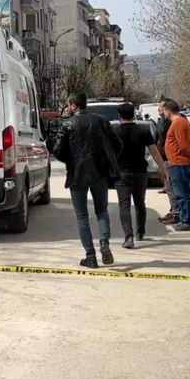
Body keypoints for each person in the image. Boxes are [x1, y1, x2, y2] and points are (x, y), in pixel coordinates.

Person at [53, 92, 122, 268]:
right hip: (99, 172)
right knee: (102, 210)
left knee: (82, 216)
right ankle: (104, 243)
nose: (67, 108)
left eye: (68, 105)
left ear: (74, 105)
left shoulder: (68, 124)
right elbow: (117, 144)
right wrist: (107, 160)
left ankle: (90, 256)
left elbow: (58, 150)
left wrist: (70, 160)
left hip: (77, 174)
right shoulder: (101, 120)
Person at [113, 103, 168, 249]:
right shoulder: (143, 130)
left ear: (119, 116)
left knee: (124, 204)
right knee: (140, 203)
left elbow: (109, 154)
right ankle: (140, 232)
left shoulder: (114, 131)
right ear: (134, 115)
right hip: (140, 171)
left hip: (122, 172)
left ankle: (128, 236)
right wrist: (163, 169)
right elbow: (154, 151)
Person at [163, 100, 190, 231]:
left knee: (182, 194)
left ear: (167, 110)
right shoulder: (183, 121)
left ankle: (187, 221)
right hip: (178, 162)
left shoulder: (178, 123)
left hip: (179, 163)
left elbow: (183, 145)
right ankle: (186, 219)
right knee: (182, 193)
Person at [156, 101, 179, 224]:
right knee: (168, 186)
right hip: (165, 157)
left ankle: (176, 212)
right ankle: (173, 210)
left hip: (171, 158)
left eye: (162, 108)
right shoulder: (162, 121)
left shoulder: (171, 122)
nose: (160, 109)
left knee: (171, 187)